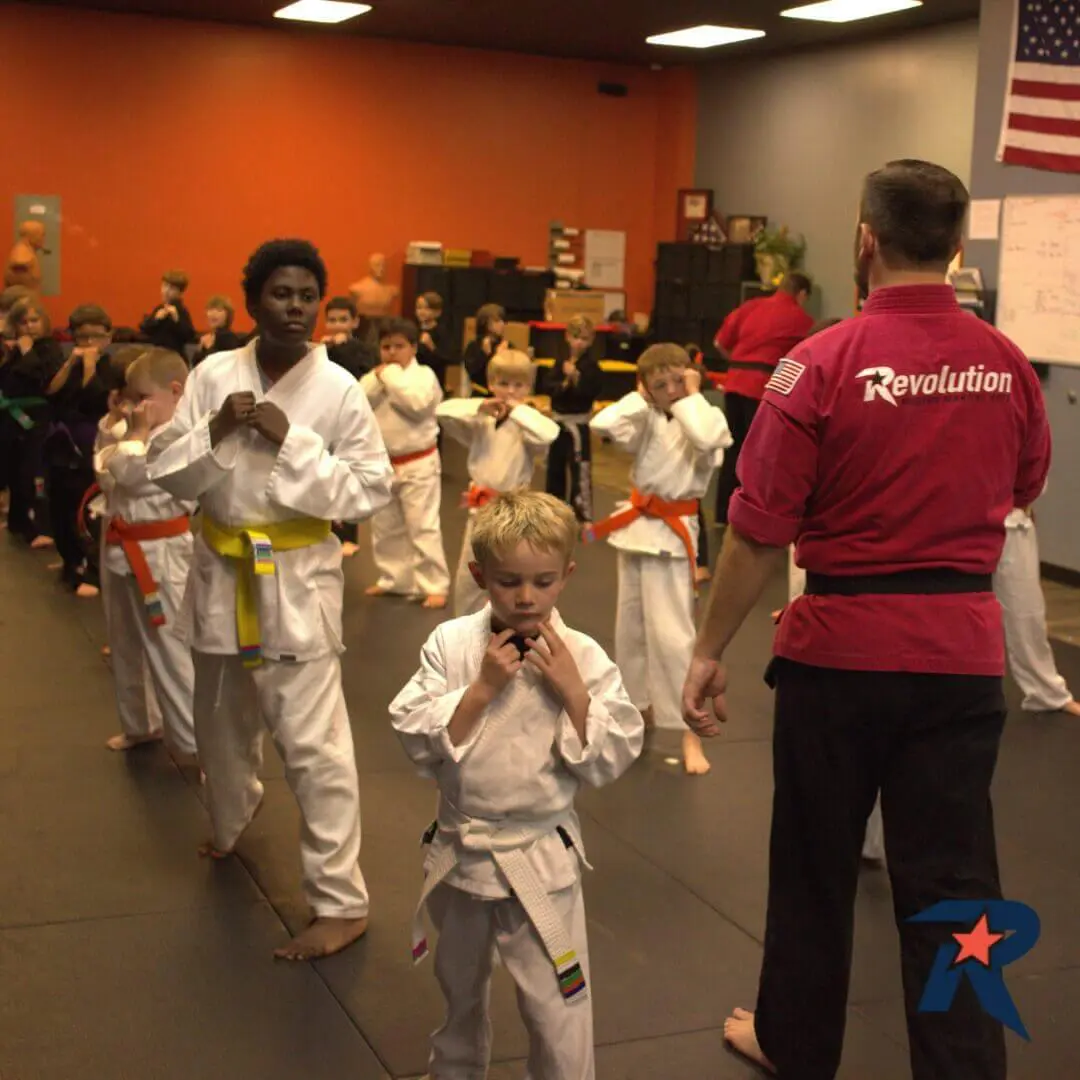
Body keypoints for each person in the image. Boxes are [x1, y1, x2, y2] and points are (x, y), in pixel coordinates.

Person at [682, 160, 1051, 1080]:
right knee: (957, 887)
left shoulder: (818, 362)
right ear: (960, 249)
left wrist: (705, 649)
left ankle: (794, 1043)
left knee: (814, 866)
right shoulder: (1006, 364)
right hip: (961, 659)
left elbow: (756, 531)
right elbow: (1022, 487)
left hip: (839, 661)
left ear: (864, 241)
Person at [147, 238, 394, 961]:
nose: (296, 307)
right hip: (221, 571)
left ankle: (342, 903)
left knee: (315, 748)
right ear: (253, 301)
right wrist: (219, 427)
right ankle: (230, 821)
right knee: (216, 725)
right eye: (281, 294)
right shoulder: (214, 374)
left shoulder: (341, 389)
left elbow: (369, 489)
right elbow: (169, 473)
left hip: (294, 580)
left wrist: (295, 445)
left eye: (307, 295)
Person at [389, 490, 644, 1080]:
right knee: (458, 997)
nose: (526, 597)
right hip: (460, 853)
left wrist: (574, 693)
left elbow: (615, 751)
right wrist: (479, 689)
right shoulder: (451, 643)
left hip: (540, 860)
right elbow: (408, 724)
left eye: (543, 581)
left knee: (559, 1010)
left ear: (567, 576)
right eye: (507, 582)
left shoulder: (581, 653)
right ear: (479, 574)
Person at [589, 344, 732, 776]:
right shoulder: (648, 416)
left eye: (677, 380)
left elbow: (708, 439)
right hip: (636, 530)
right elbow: (603, 423)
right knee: (629, 630)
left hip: (673, 534)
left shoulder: (706, 416)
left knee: (673, 635)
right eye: (660, 385)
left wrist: (688, 394)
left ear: (691, 377)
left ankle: (689, 728)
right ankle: (639, 710)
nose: (669, 391)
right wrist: (642, 396)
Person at [96, 347, 197, 759]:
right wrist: (125, 434)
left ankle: (199, 746)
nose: (134, 408)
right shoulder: (137, 435)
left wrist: (131, 440)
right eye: (130, 399)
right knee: (124, 642)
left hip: (162, 554)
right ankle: (140, 724)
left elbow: (128, 475)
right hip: (121, 544)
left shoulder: (182, 435)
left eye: (142, 399)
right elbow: (105, 470)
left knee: (170, 651)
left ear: (175, 391)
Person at [437, 349, 559, 616]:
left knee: (509, 578)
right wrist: (480, 405)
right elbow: (443, 412)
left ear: (529, 387)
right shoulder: (482, 418)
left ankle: (509, 630)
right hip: (480, 508)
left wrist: (517, 410)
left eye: (519, 385)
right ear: (491, 383)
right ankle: (465, 633)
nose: (510, 391)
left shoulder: (529, 423)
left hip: (514, 512)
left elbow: (549, 434)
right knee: (469, 577)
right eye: (503, 383)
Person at [361, 317, 451, 609]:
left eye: (399, 346)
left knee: (422, 525)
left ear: (413, 347)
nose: (391, 352)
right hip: (384, 461)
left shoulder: (424, 375)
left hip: (419, 461)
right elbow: (358, 404)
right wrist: (380, 379)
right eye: (386, 346)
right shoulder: (373, 377)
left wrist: (390, 378)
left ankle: (434, 584)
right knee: (385, 526)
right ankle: (394, 580)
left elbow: (417, 405)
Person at [712, 272, 813, 525]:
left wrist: (737, 364)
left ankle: (722, 514)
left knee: (733, 448)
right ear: (801, 295)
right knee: (758, 453)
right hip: (762, 389)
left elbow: (719, 342)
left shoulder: (750, 306)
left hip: (733, 384)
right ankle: (751, 515)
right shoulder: (801, 319)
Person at [45, 303, 121, 596]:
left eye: (96, 336)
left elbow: (95, 398)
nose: (89, 343)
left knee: (85, 507)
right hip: (61, 442)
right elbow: (50, 391)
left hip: (90, 441)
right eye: (82, 336)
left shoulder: (110, 368)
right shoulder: (69, 365)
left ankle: (90, 568)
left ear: (108, 337)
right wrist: (69, 364)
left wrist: (89, 363)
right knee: (59, 504)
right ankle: (69, 560)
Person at [1, 297, 62, 549]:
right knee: (13, 470)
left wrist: (27, 351)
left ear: (44, 322)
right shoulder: (13, 349)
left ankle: (36, 527)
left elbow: (43, 378)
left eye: (34, 320)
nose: (29, 326)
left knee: (31, 471)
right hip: (12, 416)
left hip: (36, 417)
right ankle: (16, 520)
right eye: (23, 322)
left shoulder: (49, 349)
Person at [544, 314, 601, 525]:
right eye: (576, 337)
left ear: (591, 340)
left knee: (580, 470)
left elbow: (592, 391)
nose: (579, 342)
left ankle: (583, 516)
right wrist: (564, 382)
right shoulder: (560, 363)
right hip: (558, 423)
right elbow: (548, 387)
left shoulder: (592, 366)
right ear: (567, 337)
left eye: (584, 338)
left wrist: (576, 378)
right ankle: (552, 512)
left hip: (578, 424)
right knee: (554, 469)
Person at [140, 270, 197, 354]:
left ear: (180, 293)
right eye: (164, 286)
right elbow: (145, 330)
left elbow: (189, 336)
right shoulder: (160, 309)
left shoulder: (181, 311)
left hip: (175, 356)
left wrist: (176, 320)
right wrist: (156, 319)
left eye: (172, 288)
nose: (166, 291)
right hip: (157, 354)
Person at [321, 295, 377, 379]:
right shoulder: (322, 348)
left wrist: (343, 347)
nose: (337, 326)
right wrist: (320, 351)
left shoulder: (366, 350)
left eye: (343, 320)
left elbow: (359, 379)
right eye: (332, 320)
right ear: (326, 323)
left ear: (355, 322)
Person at [461, 303, 507, 396]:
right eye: (497, 321)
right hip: (480, 395)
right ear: (485, 323)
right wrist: (484, 354)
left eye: (503, 320)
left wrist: (503, 357)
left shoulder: (506, 345)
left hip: (502, 395)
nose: (502, 324)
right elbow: (473, 373)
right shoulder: (474, 346)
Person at [192, 295, 244, 366]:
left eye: (219, 310)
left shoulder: (229, 337)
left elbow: (225, 364)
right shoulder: (209, 337)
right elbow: (196, 365)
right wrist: (200, 348)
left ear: (227, 315)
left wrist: (209, 348)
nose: (213, 313)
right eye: (210, 310)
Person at [415, 290, 451, 390]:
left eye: (426, 308)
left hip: (435, 382)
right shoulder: (413, 331)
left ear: (437, 312)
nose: (421, 311)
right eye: (418, 308)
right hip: (415, 382)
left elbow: (446, 359)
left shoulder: (442, 332)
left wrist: (431, 346)